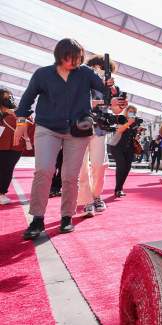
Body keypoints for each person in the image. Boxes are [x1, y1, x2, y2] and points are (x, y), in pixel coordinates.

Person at [14, 38, 116, 239]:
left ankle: (67, 216)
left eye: (78, 59)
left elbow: (105, 94)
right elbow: (27, 98)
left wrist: (109, 86)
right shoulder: (42, 74)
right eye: (69, 58)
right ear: (59, 56)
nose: (73, 63)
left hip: (77, 130)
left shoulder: (86, 73)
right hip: (47, 127)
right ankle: (37, 218)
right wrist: (21, 123)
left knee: (70, 176)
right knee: (43, 170)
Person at [79, 54, 127, 216]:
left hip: (100, 126)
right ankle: (87, 201)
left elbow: (116, 110)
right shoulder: (81, 82)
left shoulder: (112, 88)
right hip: (80, 125)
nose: (99, 72)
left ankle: (96, 195)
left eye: (105, 70)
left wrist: (118, 102)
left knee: (100, 163)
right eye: (97, 68)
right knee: (82, 165)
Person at [0, 88, 34, 205]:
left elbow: (29, 124)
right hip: (1, 144)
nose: (9, 100)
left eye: (10, 97)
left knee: (7, 168)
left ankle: (1, 193)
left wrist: (17, 115)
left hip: (16, 146)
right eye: (5, 98)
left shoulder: (19, 110)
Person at [108, 105, 140, 198]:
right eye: (130, 111)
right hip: (117, 146)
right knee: (121, 166)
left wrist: (137, 134)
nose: (131, 113)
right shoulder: (121, 118)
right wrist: (129, 123)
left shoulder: (135, 122)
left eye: (133, 112)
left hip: (129, 148)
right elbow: (119, 130)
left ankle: (120, 188)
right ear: (126, 112)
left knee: (127, 168)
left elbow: (134, 136)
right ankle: (118, 190)